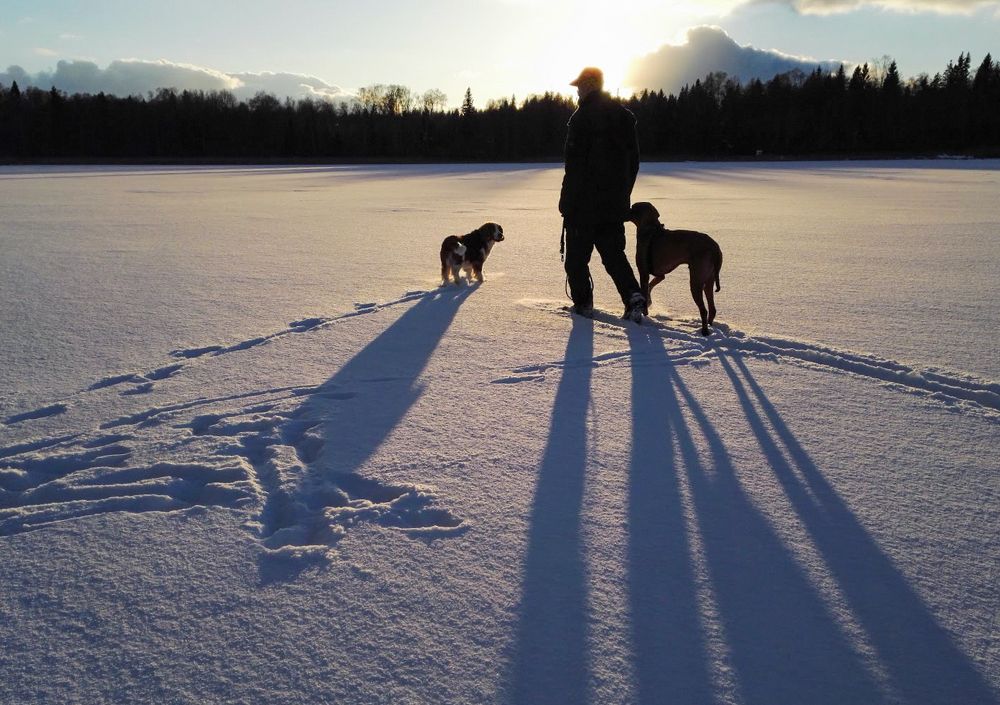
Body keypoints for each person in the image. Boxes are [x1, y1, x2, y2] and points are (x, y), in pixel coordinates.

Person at [559, 66, 645, 322]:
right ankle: (633, 297)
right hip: (613, 205)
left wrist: (567, 203)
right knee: (614, 255)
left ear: (591, 84)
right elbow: (634, 163)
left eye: (580, 86)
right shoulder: (623, 117)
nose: (578, 91)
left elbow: (575, 167)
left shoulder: (581, 118)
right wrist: (622, 194)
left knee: (576, 261)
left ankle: (583, 304)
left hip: (583, 206)